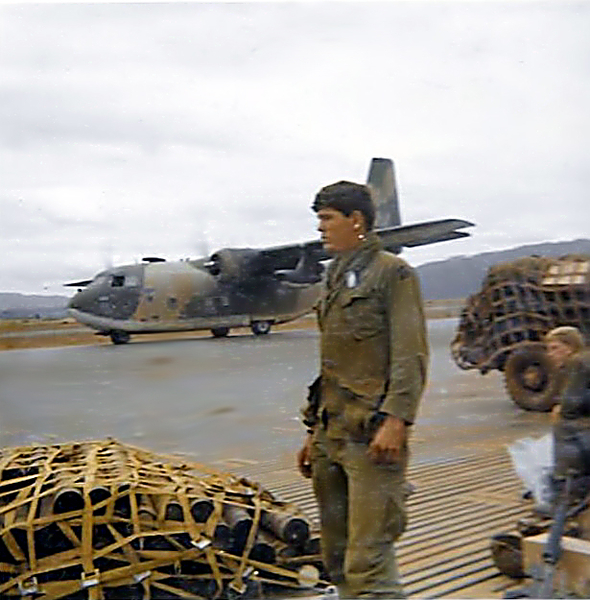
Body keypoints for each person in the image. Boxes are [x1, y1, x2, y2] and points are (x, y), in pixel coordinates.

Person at [296, 180, 428, 599]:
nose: (321, 228)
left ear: (357, 220)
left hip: (371, 439)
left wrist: (397, 420)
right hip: (332, 435)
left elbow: (411, 355)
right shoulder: (336, 276)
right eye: (319, 219)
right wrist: (313, 430)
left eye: (328, 219)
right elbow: (334, 365)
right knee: (335, 557)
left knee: (368, 564)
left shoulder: (393, 273)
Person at [545, 326, 585, 423]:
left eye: (555, 348)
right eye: (549, 349)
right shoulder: (568, 370)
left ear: (570, 348)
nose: (550, 354)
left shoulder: (581, 368)